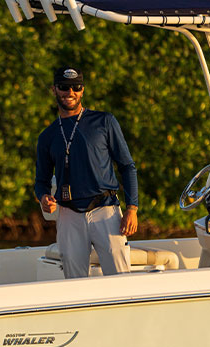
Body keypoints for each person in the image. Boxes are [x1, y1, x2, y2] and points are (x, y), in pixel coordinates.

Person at [34, 66, 139, 278]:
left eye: (76, 87)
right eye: (64, 87)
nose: (70, 93)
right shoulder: (47, 135)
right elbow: (41, 181)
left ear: (82, 90)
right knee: (75, 284)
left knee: (121, 280)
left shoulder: (105, 121)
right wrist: (43, 197)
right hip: (68, 214)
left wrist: (132, 209)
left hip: (106, 210)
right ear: (54, 90)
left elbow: (127, 166)